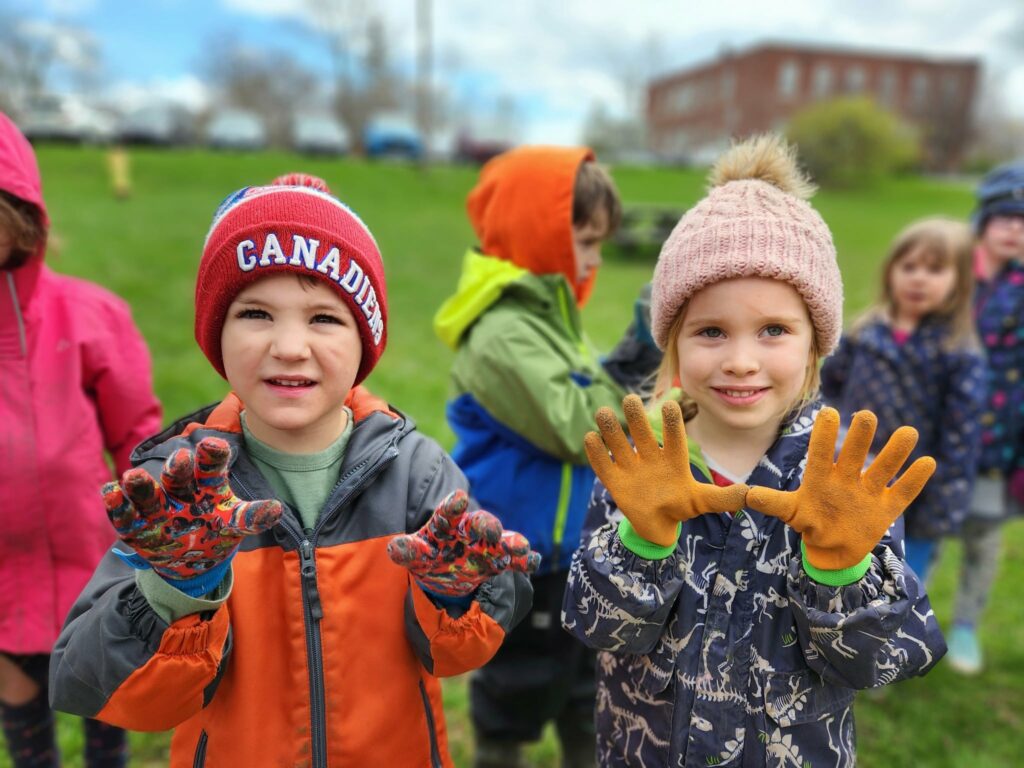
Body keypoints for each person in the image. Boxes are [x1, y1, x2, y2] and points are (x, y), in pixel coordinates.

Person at [48, 173, 538, 768]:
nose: (288, 346)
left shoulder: (414, 469)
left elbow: (461, 652)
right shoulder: (178, 492)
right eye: (255, 313)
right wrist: (176, 590)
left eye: (323, 319)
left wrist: (454, 595)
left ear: (365, 341)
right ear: (216, 334)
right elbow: (87, 684)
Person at [562, 134, 946, 767]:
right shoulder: (645, 460)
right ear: (674, 343)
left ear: (815, 342)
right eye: (711, 331)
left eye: (774, 330)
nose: (741, 361)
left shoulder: (840, 478)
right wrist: (643, 542)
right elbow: (599, 628)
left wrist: (840, 569)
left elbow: (878, 661)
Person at [435, 146, 656, 768]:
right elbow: (581, 428)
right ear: (542, 237)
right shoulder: (502, 335)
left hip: (572, 553)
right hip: (520, 562)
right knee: (515, 698)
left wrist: (625, 358)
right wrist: (639, 367)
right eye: (585, 241)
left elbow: (585, 393)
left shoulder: (547, 320)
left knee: (588, 694)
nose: (596, 259)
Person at [0, 112, 162, 767]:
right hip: (3, 578)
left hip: (91, 560)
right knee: (21, 705)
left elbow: (135, 431)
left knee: (102, 696)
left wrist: (153, 526)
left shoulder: (88, 314)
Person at [820, 217, 986, 582]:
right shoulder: (863, 334)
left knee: (898, 589)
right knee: (839, 575)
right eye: (908, 266)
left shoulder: (958, 354)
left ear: (960, 282)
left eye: (935, 269)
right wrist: (839, 442)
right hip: (845, 484)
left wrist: (935, 515)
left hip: (912, 503)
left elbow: (960, 440)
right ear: (890, 271)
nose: (919, 278)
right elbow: (824, 392)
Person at [947, 160, 1024, 675]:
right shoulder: (948, 274)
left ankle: (966, 626)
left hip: (1001, 443)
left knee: (983, 538)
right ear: (983, 222)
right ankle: (900, 625)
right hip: (939, 435)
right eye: (1006, 218)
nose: (1016, 230)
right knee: (917, 542)